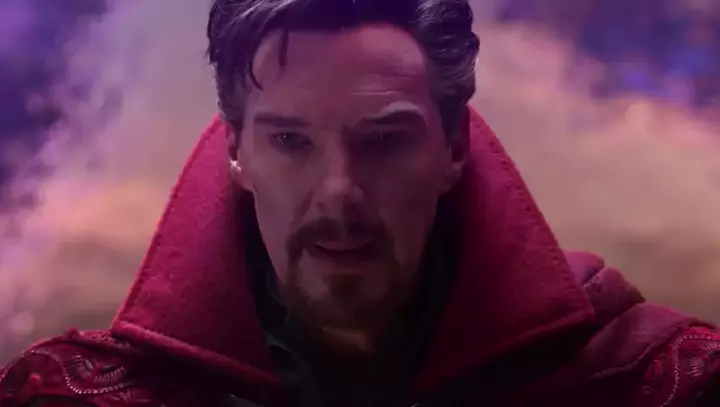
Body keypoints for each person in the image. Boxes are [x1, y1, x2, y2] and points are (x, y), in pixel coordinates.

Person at [2, 0, 719, 406]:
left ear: (455, 148)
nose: (339, 191)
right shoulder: (75, 396)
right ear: (237, 151)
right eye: (291, 141)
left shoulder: (645, 383)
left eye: (383, 141)